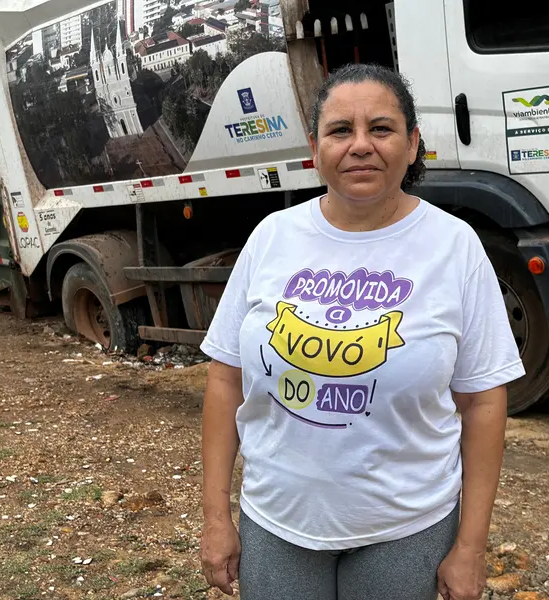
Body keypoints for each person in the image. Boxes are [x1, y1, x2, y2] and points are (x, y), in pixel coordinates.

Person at [198, 63, 525, 600]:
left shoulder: (455, 246)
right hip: (277, 519)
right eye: (340, 130)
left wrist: (470, 547)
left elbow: (484, 400)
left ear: (414, 142)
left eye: (380, 128)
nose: (360, 146)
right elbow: (225, 379)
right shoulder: (271, 237)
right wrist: (215, 519)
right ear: (315, 146)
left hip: (406, 528)